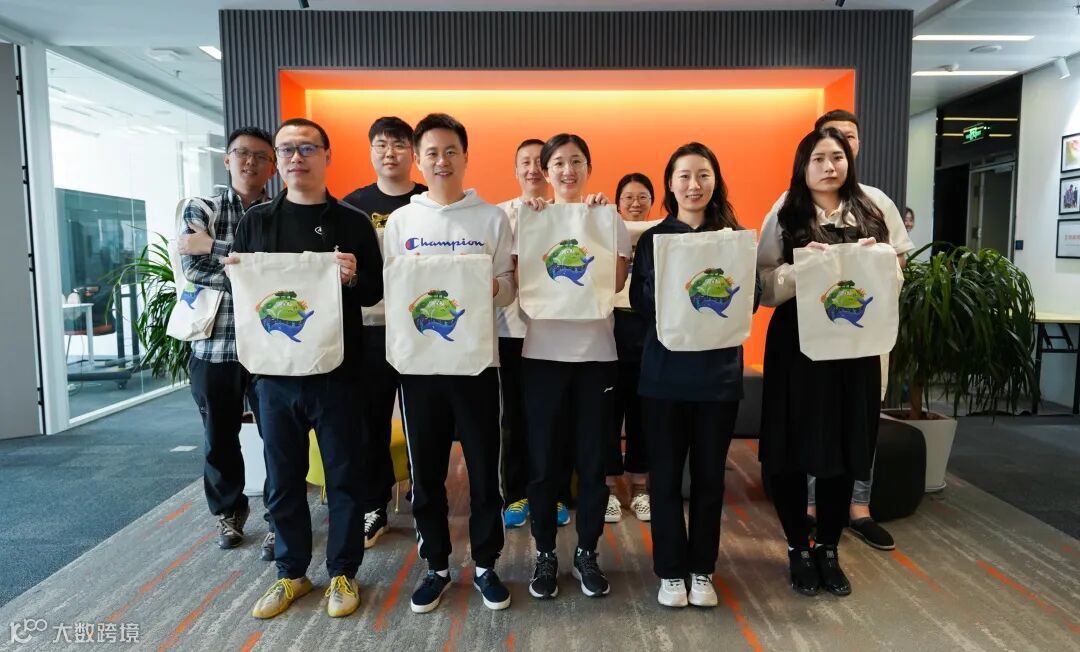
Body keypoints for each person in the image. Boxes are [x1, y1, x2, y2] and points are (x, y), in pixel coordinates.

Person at [229, 118, 384, 619]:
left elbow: (376, 292)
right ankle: (291, 572)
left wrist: (353, 276)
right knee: (283, 480)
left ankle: (343, 571)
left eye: (307, 148)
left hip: (339, 372)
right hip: (275, 374)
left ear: (327, 155)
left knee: (343, 477)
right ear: (278, 159)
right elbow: (249, 297)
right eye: (287, 149)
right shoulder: (257, 222)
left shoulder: (353, 222)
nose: (296, 157)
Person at [757, 127, 908, 598]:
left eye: (837, 156)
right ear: (803, 165)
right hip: (797, 350)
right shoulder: (785, 212)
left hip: (854, 349)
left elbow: (896, 280)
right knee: (790, 450)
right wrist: (801, 269)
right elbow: (763, 288)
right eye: (818, 158)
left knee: (844, 450)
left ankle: (828, 547)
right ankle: (797, 547)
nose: (829, 166)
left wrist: (877, 262)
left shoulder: (872, 209)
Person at [382, 113, 515, 614]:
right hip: (420, 367)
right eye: (432, 153)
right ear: (419, 160)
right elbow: (395, 292)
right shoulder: (402, 222)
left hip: (478, 362)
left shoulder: (491, 218)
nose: (442, 161)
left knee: (485, 471)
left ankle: (486, 564)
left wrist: (485, 285)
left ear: (465, 156)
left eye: (451, 151)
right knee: (427, 473)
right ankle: (435, 565)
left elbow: (510, 288)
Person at [631, 143, 754, 608]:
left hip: (718, 379)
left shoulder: (734, 239)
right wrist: (673, 290)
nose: (693, 185)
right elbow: (640, 303)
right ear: (670, 184)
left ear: (715, 181)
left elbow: (751, 296)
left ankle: (702, 568)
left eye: (703, 175)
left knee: (708, 480)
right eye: (683, 176)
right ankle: (670, 571)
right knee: (663, 478)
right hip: (663, 377)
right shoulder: (654, 240)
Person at [517, 133, 631, 600]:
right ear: (545, 171)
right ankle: (545, 552)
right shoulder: (528, 217)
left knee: (592, 463)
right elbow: (518, 278)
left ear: (588, 168)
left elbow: (616, 282)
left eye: (577, 161)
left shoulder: (607, 217)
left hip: (596, 357)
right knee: (544, 464)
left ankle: (587, 552)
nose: (568, 170)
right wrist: (535, 220)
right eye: (559, 163)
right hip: (542, 356)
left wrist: (599, 227)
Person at [179, 126, 277, 559]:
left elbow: (286, 271)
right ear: (227, 159)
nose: (250, 162)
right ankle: (229, 511)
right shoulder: (201, 207)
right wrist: (255, 272)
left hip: (271, 348)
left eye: (261, 156)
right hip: (215, 346)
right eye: (242, 153)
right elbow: (193, 269)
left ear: (272, 166)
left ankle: (278, 519)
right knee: (219, 437)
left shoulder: (280, 212)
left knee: (279, 438)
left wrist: (215, 248)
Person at [342, 116, 428, 549]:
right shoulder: (352, 207)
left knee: (422, 420)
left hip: (420, 328)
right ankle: (374, 505)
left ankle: (424, 501)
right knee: (370, 422)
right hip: (370, 328)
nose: (389, 153)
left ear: (412, 153)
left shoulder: (429, 200)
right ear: (371, 151)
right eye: (381, 145)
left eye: (398, 145)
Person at [495, 139, 572, 530]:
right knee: (515, 418)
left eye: (538, 162)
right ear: (515, 171)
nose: (531, 169)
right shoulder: (498, 215)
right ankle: (517, 494)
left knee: (556, 417)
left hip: (555, 331)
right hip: (510, 330)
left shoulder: (568, 213)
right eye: (523, 162)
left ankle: (556, 493)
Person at [605, 172, 662, 523]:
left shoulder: (661, 237)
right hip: (610, 330)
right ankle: (609, 489)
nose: (636, 203)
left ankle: (641, 488)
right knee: (608, 415)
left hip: (648, 332)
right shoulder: (605, 232)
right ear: (617, 203)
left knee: (643, 415)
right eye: (628, 197)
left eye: (643, 197)